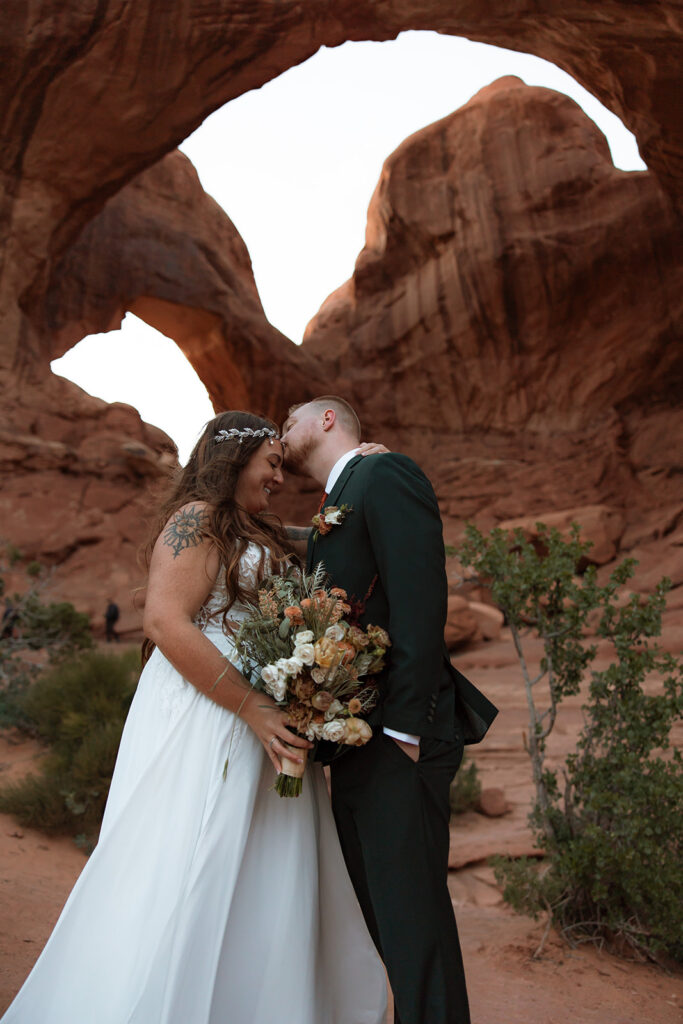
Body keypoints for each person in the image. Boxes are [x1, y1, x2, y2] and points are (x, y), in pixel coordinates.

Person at [1, 411, 387, 1024]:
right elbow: (164, 621)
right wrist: (255, 709)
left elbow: (324, 533)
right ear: (235, 461)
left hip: (258, 714)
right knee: (194, 854)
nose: (278, 477)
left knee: (262, 863)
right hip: (208, 712)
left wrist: (360, 472)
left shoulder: (253, 528)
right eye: (272, 463)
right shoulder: (195, 520)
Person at [281, 396, 498, 1024]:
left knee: (413, 926)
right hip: (356, 742)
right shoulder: (336, 500)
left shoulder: (384, 474)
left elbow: (421, 600)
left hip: (398, 740)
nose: (281, 431)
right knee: (386, 920)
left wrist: (404, 731)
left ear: (327, 420)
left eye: (290, 418)